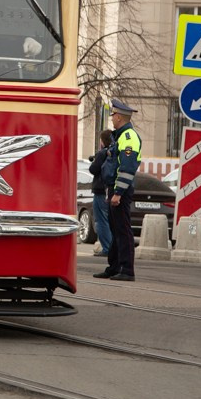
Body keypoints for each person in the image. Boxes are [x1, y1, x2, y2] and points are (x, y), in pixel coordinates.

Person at [94, 98, 142, 282]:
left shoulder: (129, 137)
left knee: (123, 230)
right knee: (115, 230)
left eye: (113, 114)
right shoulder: (119, 137)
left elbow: (127, 168)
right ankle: (114, 267)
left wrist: (118, 193)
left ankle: (127, 270)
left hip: (119, 190)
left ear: (120, 117)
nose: (112, 117)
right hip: (113, 189)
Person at [88, 129, 115, 256]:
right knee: (108, 220)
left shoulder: (102, 153)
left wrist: (96, 159)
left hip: (100, 191)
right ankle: (111, 248)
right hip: (108, 189)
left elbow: (93, 169)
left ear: (102, 141)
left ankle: (107, 248)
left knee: (101, 221)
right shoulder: (113, 152)